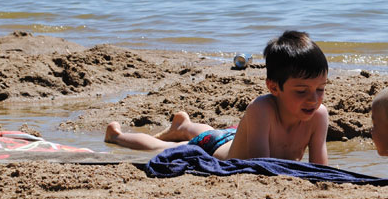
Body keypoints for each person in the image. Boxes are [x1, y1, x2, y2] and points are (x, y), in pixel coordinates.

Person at [105, 31, 330, 165]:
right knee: (162, 147)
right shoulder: (262, 109)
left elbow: (321, 168)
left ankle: (184, 124)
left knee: (209, 131)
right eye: (301, 91)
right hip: (215, 146)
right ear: (273, 87)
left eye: (320, 89)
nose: (313, 99)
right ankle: (116, 136)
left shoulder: (318, 116)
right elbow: (262, 166)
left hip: (234, 134)